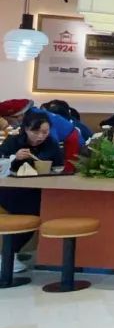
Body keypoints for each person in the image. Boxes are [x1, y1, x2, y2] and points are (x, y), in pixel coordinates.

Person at [0, 114, 63, 273]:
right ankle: (8, 255)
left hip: (37, 191)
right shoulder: (13, 142)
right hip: (9, 191)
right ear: (26, 129)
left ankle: (10, 254)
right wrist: (14, 158)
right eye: (35, 132)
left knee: (39, 207)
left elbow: (59, 166)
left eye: (45, 132)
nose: (40, 136)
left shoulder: (51, 144)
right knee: (31, 212)